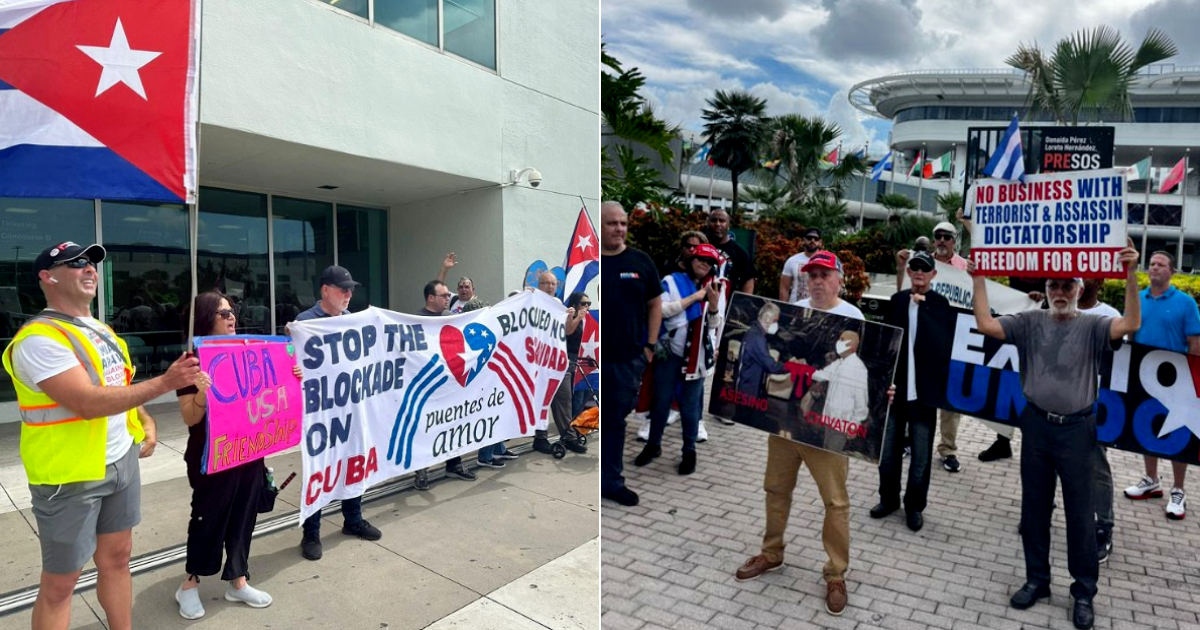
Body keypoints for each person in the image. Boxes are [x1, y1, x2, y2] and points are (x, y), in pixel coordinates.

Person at [2, 241, 199, 630]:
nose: (89, 269)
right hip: (70, 475)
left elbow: (116, 386)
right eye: (75, 264)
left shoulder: (101, 330)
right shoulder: (39, 339)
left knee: (119, 558)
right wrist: (164, 383)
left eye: (91, 263)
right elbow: (87, 402)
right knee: (61, 583)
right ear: (48, 277)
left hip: (119, 459)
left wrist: (144, 419)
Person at [968, 239, 1140, 630]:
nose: (1060, 293)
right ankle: (1037, 580)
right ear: (1045, 291)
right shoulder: (1029, 321)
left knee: (1081, 516)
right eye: (1054, 286)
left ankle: (1082, 592)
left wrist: (1131, 274)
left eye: (1067, 286)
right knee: (1034, 508)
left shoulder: (1095, 325)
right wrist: (978, 278)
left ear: (1080, 289)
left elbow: (1130, 324)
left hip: (1078, 430)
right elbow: (985, 324)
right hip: (1036, 426)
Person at [735, 250, 863, 617]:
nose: (817, 281)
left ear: (839, 278)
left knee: (835, 501)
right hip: (787, 419)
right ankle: (771, 553)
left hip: (827, 426)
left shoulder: (853, 317)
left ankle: (836, 573)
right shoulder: (794, 310)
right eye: (812, 275)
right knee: (775, 487)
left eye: (824, 275)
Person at [174, 292, 273, 618]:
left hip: (247, 452)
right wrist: (203, 391)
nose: (232, 317)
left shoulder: (248, 353)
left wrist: (291, 375)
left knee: (244, 516)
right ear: (206, 319)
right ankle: (189, 584)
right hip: (210, 456)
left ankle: (238, 581)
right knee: (208, 519)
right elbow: (190, 417)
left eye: (233, 311)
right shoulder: (190, 362)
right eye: (223, 313)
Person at [292, 265, 384, 561]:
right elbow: (289, 364)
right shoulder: (305, 323)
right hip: (321, 414)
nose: (349, 294)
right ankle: (311, 532)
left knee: (353, 462)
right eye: (343, 289)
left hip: (352, 408)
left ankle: (352, 519)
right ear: (325, 290)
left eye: (351, 289)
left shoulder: (352, 321)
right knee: (322, 467)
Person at [872, 252, 954, 532]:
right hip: (896, 392)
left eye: (925, 269)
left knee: (921, 457)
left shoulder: (941, 305)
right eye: (914, 268)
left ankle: (915, 506)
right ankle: (888, 499)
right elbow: (884, 342)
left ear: (933, 275)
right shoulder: (896, 301)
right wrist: (882, 383)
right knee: (888, 453)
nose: (919, 272)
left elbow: (949, 344)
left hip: (925, 395)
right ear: (909, 273)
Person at [1122, 251, 1200, 520]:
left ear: (1172, 271)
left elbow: (1194, 343)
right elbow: (1130, 334)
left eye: (1160, 264)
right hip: (1144, 376)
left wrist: (1193, 379)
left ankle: (1179, 489)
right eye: (1152, 264)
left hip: (1177, 380)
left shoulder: (1186, 303)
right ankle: (1151, 480)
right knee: (1148, 429)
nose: (1154, 268)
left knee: (1176, 435)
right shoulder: (1138, 298)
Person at [634, 243, 723, 475]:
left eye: (709, 261)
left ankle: (689, 451)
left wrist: (712, 306)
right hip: (670, 351)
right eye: (701, 259)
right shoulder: (672, 282)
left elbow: (714, 325)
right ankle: (653, 445)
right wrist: (694, 298)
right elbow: (661, 310)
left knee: (690, 405)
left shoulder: (715, 287)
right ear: (691, 260)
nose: (704, 264)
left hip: (697, 357)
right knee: (661, 400)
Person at [600, 201, 662, 507]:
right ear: (599, 226)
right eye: (612, 223)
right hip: (590, 361)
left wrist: (649, 346)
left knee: (615, 421)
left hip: (627, 361)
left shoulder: (640, 261)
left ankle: (611, 482)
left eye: (623, 223)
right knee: (584, 420)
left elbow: (655, 304)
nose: (619, 228)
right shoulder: (587, 266)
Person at [897, 221, 968, 473]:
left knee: (950, 401)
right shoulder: (921, 262)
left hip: (951, 342)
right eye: (937, 236)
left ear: (954, 240)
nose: (941, 240)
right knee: (913, 392)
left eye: (946, 237)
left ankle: (948, 449)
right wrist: (900, 266)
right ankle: (907, 439)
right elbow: (902, 296)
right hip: (920, 344)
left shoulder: (965, 268)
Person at [414, 280, 479, 489]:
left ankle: (454, 464)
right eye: (444, 296)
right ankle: (421, 470)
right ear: (431, 298)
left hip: (450, 383)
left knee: (454, 423)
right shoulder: (416, 320)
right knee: (426, 427)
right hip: (428, 385)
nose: (448, 299)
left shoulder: (451, 318)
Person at [1077, 278, 1120, 563]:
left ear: (1101, 280)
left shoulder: (1111, 316)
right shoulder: (1058, 307)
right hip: (1060, 403)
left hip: (1094, 404)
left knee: (1096, 467)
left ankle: (1103, 526)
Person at [534, 271, 588, 454]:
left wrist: (577, 317)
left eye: (553, 283)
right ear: (538, 285)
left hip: (558, 359)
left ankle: (568, 436)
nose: (550, 286)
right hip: (539, 361)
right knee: (541, 400)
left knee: (564, 398)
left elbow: (568, 331)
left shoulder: (558, 304)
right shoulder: (532, 303)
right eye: (546, 283)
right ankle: (540, 438)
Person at [732, 302, 789, 430]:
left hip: (746, 388)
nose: (776, 325)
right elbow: (771, 366)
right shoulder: (757, 338)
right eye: (775, 320)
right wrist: (790, 367)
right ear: (768, 318)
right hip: (748, 392)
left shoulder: (753, 332)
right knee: (751, 423)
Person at [705, 208, 756, 294]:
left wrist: (741, 304)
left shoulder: (740, 253)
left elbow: (748, 281)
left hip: (726, 302)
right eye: (714, 220)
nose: (717, 224)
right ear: (708, 223)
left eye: (722, 221)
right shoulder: (700, 246)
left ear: (728, 225)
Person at [780, 227, 822, 303]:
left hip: (819, 311)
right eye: (809, 238)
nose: (812, 241)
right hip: (795, 310)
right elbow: (784, 288)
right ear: (803, 240)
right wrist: (784, 310)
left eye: (816, 239)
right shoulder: (792, 261)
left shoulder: (826, 262)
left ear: (820, 242)